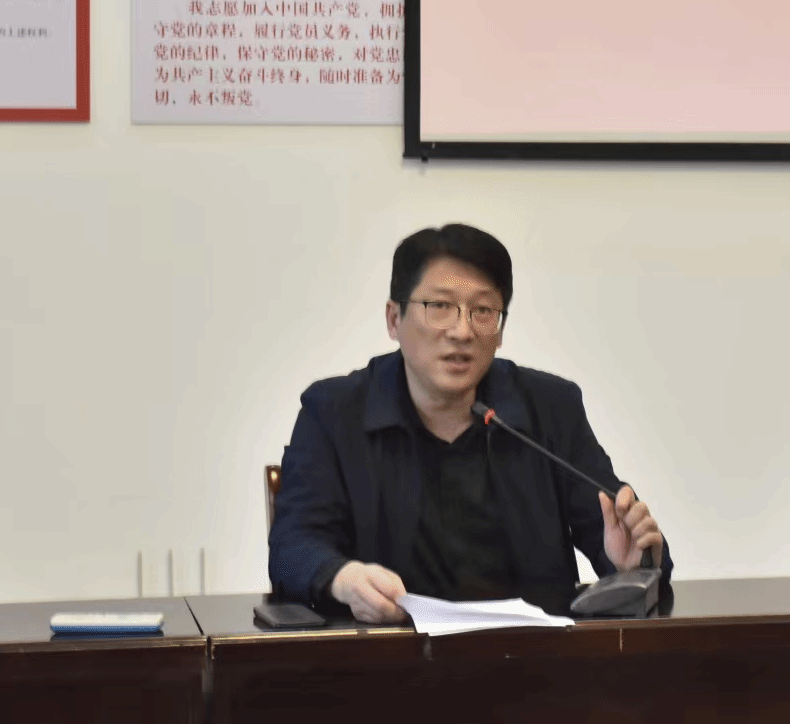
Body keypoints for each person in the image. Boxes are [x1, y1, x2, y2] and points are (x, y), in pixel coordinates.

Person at [267, 224, 667, 621]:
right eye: (440, 307)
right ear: (394, 319)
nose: (462, 331)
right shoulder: (333, 413)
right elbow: (292, 547)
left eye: (483, 311)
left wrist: (633, 566)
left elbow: (616, 534)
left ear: (500, 329)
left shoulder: (550, 408)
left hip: (531, 652)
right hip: (388, 653)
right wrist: (344, 578)